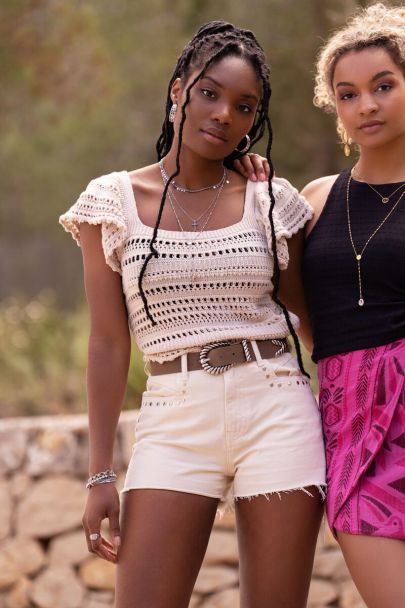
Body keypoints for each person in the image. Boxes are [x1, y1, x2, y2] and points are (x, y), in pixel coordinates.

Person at [60, 21, 326, 608]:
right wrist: (101, 473)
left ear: (255, 120)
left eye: (244, 106)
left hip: (276, 402)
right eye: (210, 92)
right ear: (177, 89)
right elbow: (107, 342)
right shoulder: (112, 202)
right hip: (174, 417)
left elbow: (307, 318)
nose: (224, 114)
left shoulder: (270, 198)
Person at [238, 3, 405, 606]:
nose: (367, 105)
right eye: (348, 93)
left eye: (383, 86)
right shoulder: (315, 199)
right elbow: (291, 300)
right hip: (349, 412)